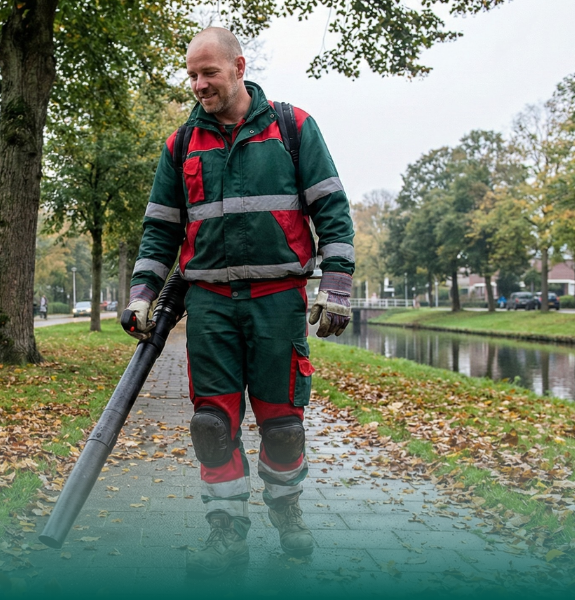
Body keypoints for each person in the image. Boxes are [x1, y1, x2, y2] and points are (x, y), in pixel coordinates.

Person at [122, 27, 355, 576]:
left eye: (210, 73)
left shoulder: (294, 128)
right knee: (212, 425)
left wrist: (337, 287)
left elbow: (332, 210)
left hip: (279, 302)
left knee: (282, 425)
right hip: (210, 306)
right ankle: (225, 531)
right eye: (193, 76)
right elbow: (160, 228)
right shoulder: (181, 145)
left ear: (239, 66)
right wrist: (141, 295)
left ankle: (287, 511)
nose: (200, 84)